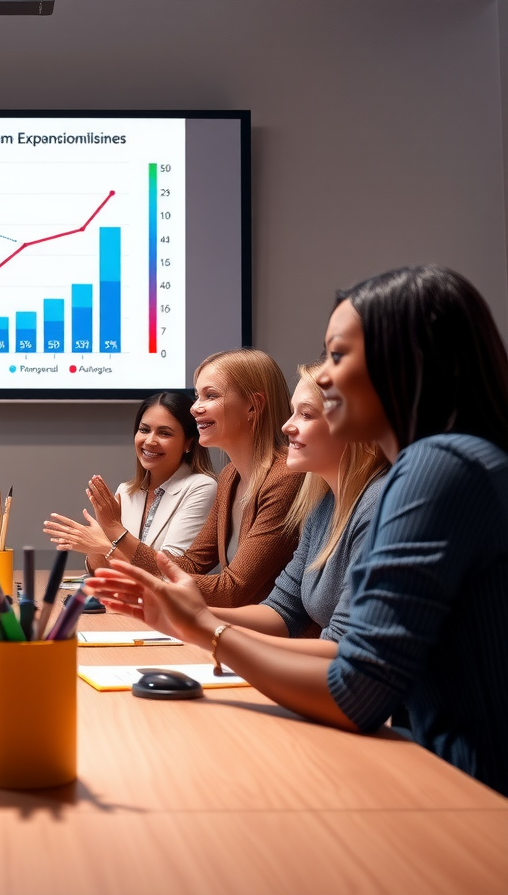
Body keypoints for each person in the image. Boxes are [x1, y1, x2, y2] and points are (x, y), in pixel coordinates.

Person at [88, 266, 508, 795]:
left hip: (472, 791)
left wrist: (207, 631)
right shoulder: (439, 465)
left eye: (338, 356)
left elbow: (355, 690)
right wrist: (190, 619)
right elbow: (295, 618)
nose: (323, 377)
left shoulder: (438, 467)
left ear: (407, 360)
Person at [87, 348, 303, 606]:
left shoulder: (285, 478)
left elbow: (231, 591)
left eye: (210, 395)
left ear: (253, 406)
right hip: (237, 626)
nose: (194, 409)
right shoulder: (230, 477)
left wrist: (115, 532)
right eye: (197, 396)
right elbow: (189, 565)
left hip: (266, 631)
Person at [208, 361, 387, 644]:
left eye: (306, 414)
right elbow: (282, 610)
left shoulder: (378, 505)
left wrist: (210, 629)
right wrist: (195, 614)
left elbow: (343, 645)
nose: (287, 426)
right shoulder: (323, 506)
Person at [42, 391, 217, 573]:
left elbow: (171, 572)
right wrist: (93, 546)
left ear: (189, 443)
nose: (150, 441)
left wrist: (107, 542)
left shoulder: (202, 487)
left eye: (164, 433)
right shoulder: (125, 491)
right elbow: (101, 571)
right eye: (144, 430)